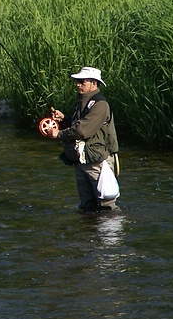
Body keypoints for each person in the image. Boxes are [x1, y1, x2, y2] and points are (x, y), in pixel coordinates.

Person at [44, 66, 120, 213]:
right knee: (87, 206)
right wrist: (65, 119)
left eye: (82, 81)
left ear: (94, 83)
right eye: (78, 81)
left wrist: (58, 134)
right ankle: (88, 233)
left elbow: (82, 130)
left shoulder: (100, 105)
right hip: (82, 161)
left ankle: (109, 235)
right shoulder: (83, 102)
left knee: (106, 206)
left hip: (98, 163)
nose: (78, 84)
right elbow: (78, 125)